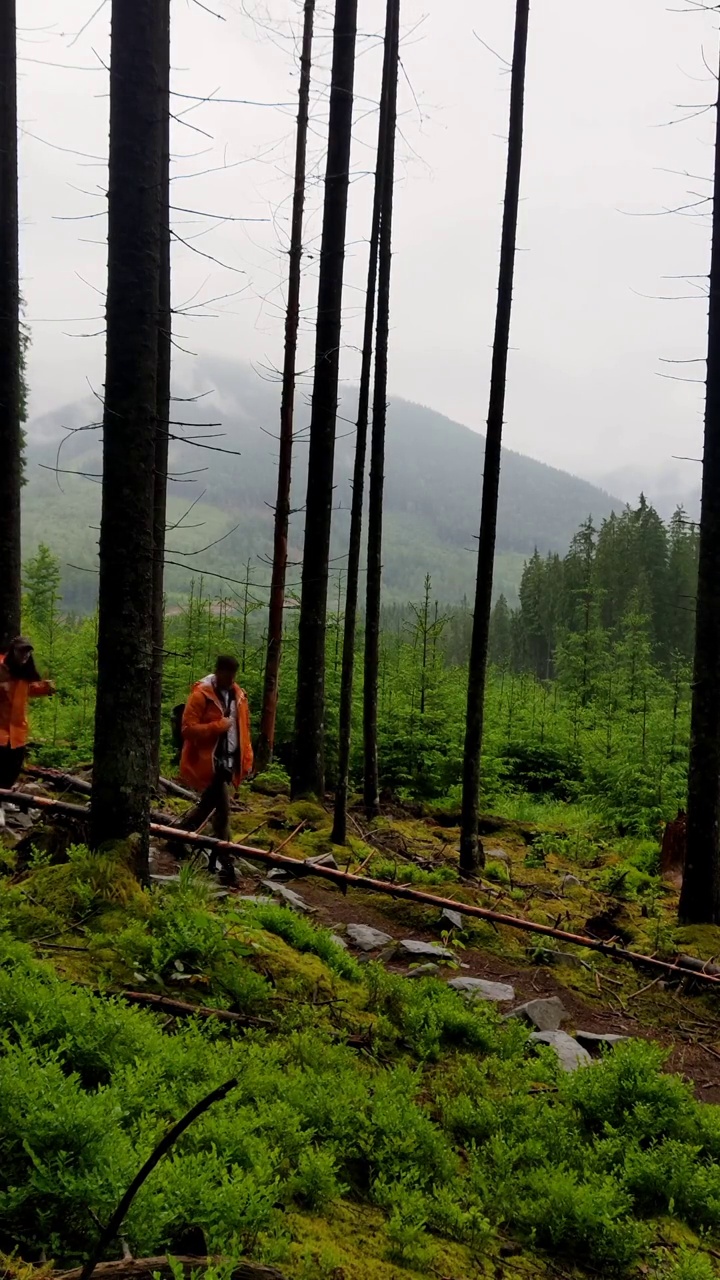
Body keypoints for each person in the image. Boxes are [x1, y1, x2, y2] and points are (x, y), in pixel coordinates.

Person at [179, 654, 253, 884]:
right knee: (222, 812)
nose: (230, 679)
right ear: (217, 671)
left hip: (228, 762)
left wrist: (246, 759)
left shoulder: (237, 695)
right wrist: (217, 727)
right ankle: (227, 862)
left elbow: (243, 730)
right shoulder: (201, 695)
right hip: (209, 763)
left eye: (233, 675)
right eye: (226, 674)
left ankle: (178, 837)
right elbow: (187, 729)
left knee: (208, 806)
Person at [0, 637, 56, 828]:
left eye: (27, 652)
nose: (25, 655)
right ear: (12, 652)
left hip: (18, 732)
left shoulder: (25, 674)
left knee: (13, 767)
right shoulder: (1, 669)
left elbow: (29, 689)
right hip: (0, 731)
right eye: (21, 651)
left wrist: (46, 688)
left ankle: (5, 796)